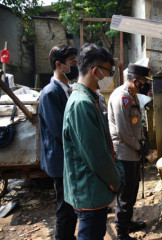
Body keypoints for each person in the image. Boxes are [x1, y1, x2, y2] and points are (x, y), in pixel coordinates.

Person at [62, 43, 124, 240]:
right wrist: (116, 181)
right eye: (109, 72)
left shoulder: (89, 99)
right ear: (96, 71)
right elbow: (96, 157)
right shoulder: (81, 104)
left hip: (94, 188)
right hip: (89, 190)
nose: (110, 77)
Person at [108, 63, 152, 240]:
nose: (146, 85)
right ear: (135, 81)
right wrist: (138, 146)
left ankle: (128, 223)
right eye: (144, 81)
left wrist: (142, 142)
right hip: (124, 152)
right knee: (126, 193)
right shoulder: (122, 97)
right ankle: (121, 232)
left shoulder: (132, 96)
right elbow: (123, 130)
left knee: (133, 189)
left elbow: (134, 125)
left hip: (132, 150)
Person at [38, 44, 78, 240]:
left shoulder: (66, 89)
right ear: (59, 65)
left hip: (67, 158)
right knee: (66, 208)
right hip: (60, 160)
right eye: (72, 63)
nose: (75, 66)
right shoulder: (50, 93)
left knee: (71, 207)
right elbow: (58, 130)